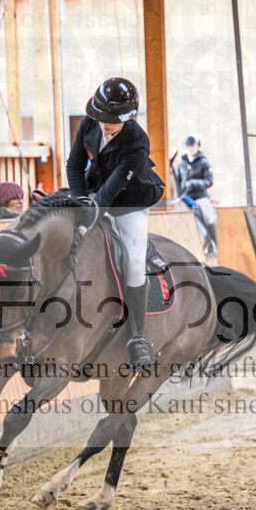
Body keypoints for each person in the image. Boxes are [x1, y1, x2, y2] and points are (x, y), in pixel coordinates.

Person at [66, 77, 165, 368]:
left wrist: (92, 208)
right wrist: (79, 200)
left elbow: (112, 190)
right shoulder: (91, 122)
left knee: (134, 262)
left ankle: (138, 338)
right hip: (95, 188)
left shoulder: (137, 142)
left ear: (128, 117)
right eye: (100, 118)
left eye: (111, 121)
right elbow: (74, 164)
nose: (104, 125)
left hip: (129, 202)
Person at [170, 135, 217, 255]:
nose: (190, 148)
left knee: (209, 217)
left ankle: (213, 242)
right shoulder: (181, 164)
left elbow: (209, 182)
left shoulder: (204, 163)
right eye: (188, 146)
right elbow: (178, 183)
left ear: (197, 147)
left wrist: (194, 183)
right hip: (186, 198)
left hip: (200, 196)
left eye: (193, 146)